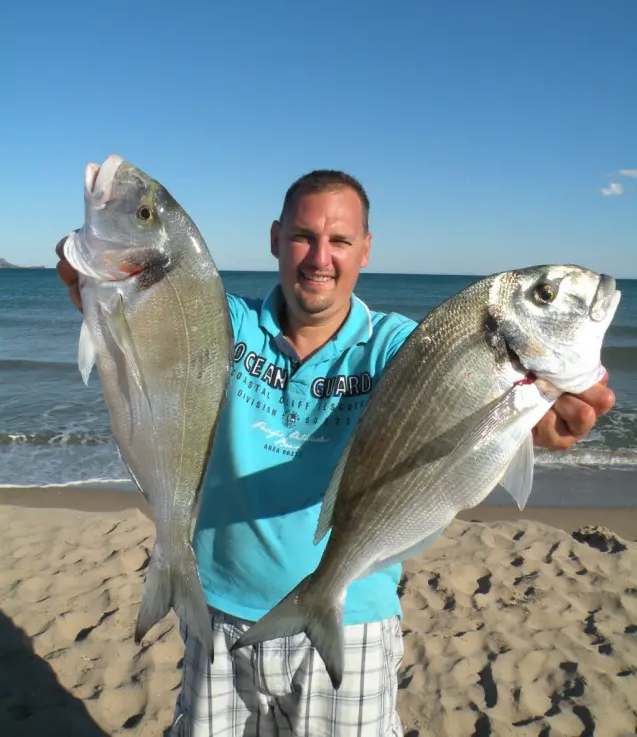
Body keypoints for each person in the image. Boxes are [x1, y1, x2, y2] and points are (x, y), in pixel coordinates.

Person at [56, 169, 615, 737]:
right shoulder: (224, 324)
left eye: (340, 241)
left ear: (365, 250)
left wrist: (533, 424)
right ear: (275, 239)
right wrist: (102, 288)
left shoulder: (400, 348)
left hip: (353, 620)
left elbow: (455, 396)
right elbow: (158, 323)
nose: (319, 257)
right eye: (303, 236)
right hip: (217, 608)